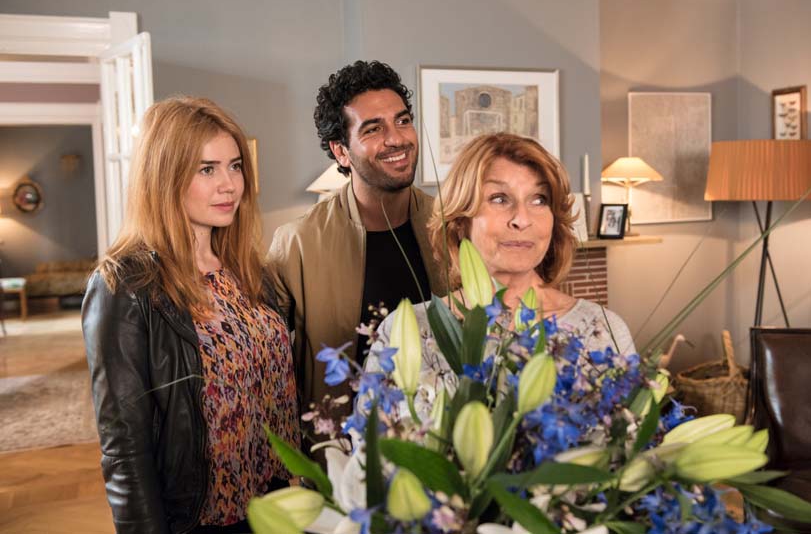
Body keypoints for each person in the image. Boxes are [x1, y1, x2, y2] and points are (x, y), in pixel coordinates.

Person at [82, 96, 300, 534]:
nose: (229, 185)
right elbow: (125, 448)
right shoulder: (124, 286)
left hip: (282, 502)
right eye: (207, 169)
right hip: (203, 517)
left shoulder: (250, 270)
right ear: (164, 177)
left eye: (235, 166)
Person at [372, 133, 635, 386]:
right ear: (460, 222)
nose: (522, 219)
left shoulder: (603, 329)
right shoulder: (406, 330)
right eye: (499, 199)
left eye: (539, 200)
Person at [268, 60, 446, 424]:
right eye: (373, 129)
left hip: (443, 442)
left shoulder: (451, 226)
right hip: (340, 447)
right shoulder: (297, 244)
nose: (396, 138)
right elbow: (264, 365)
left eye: (402, 121)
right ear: (341, 151)